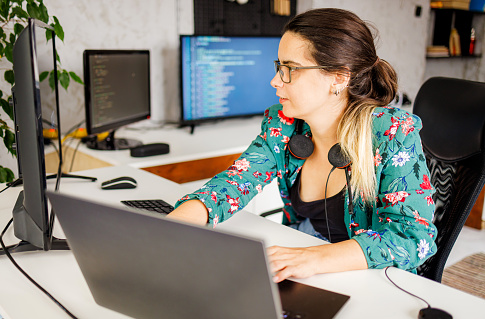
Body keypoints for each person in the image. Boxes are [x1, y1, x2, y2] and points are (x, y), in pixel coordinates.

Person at [168, 8, 437, 283]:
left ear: (339, 77)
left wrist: (314, 258)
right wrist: (170, 227)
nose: (275, 81)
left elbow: (413, 238)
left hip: (371, 275)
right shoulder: (283, 124)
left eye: (290, 70)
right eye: (278, 67)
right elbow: (234, 182)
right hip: (304, 257)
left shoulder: (391, 133)